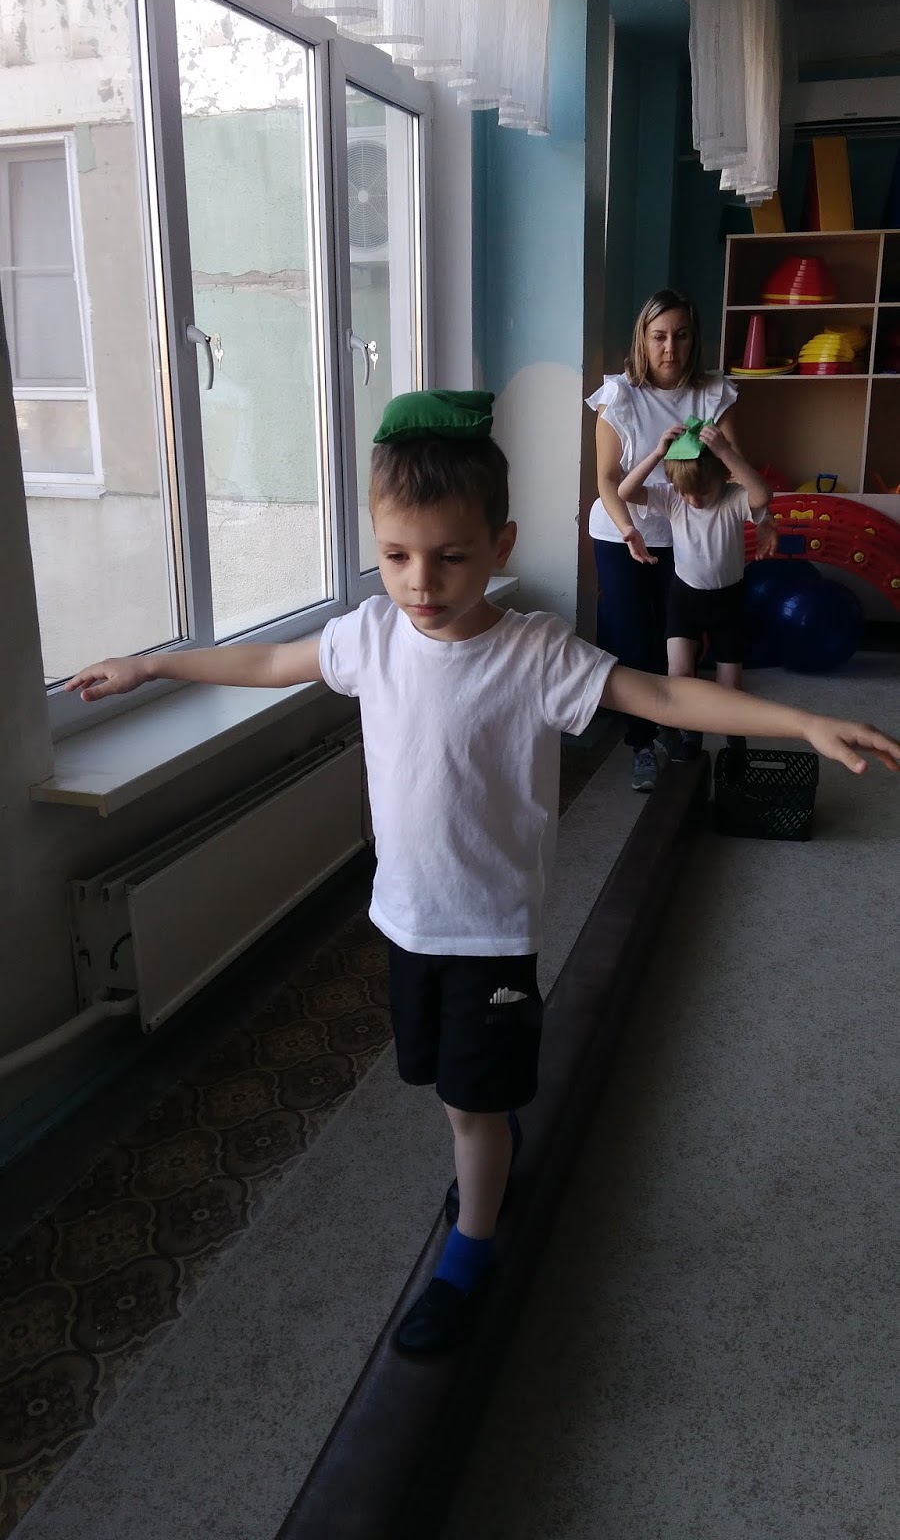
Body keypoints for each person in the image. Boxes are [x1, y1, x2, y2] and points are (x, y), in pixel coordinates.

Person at [66, 389, 899, 1357]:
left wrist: (800, 720)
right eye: (396, 556)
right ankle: (492, 1131)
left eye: (451, 557)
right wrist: (154, 668)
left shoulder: (533, 653)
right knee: (443, 1081)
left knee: (470, 1107)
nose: (420, 583)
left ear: (500, 545)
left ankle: (470, 1251)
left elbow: (665, 696)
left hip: (493, 932)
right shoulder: (370, 636)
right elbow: (269, 663)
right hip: (405, 920)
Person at [587, 288, 777, 793]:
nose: (670, 347)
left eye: (681, 335)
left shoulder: (715, 393)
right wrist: (628, 528)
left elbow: (738, 474)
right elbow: (608, 480)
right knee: (634, 638)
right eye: (659, 336)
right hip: (623, 532)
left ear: (694, 339)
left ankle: (684, 725)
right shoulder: (618, 396)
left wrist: (765, 520)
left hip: (690, 534)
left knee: (681, 642)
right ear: (643, 340)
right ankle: (641, 741)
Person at [617, 414, 772, 761]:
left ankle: (734, 734)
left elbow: (763, 495)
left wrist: (725, 451)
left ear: (722, 476)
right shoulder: (674, 499)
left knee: (730, 685)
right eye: (686, 492)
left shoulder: (734, 499)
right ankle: (690, 732)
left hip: (727, 602)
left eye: (702, 492)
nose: (694, 500)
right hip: (685, 599)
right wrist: (658, 453)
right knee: (680, 675)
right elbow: (625, 491)